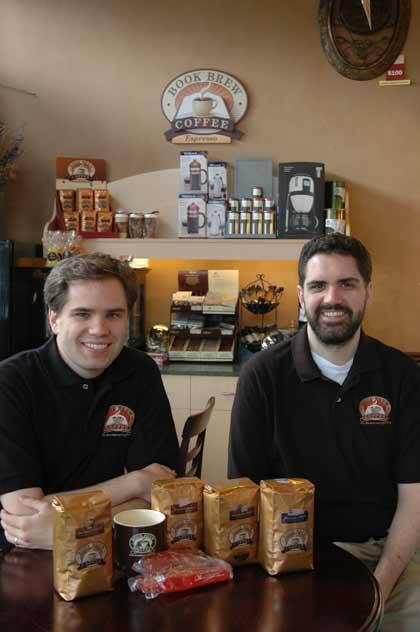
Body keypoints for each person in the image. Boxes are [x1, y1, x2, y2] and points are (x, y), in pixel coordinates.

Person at [228, 233, 420, 631]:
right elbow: (244, 493)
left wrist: (378, 589)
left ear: (368, 292)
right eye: (318, 286)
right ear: (301, 296)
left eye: (347, 284)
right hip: (287, 556)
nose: (332, 298)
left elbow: (414, 498)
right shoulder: (261, 376)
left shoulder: (403, 377)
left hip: (385, 554)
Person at [0, 253, 179, 550]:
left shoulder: (139, 371)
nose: (99, 329)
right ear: (54, 319)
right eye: (83, 314)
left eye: (113, 314)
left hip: (110, 550)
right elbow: (25, 515)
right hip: (23, 557)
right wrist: (133, 483)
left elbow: (163, 494)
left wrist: (67, 526)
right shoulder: (10, 383)